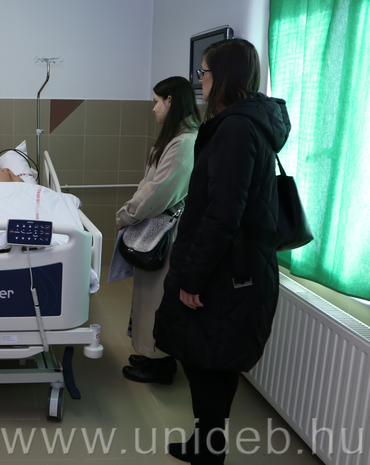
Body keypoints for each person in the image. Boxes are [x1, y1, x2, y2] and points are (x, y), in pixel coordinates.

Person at [153, 39, 290, 465]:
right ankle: (206, 443)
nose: (201, 81)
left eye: (204, 72)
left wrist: (193, 278)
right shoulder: (248, 123)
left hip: (227, 271)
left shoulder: (235, 129)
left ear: (223, 76)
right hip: (238, 264)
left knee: (207, 361)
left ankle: (209, 450)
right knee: (212, 360)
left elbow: (222, 212)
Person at [109, 76, 200, 385]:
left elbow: (159, 193)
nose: (153, 108)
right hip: (156, 226)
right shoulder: (175, 138)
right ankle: (149, 352)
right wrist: (132, 210)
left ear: (170, 101)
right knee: (147, 296)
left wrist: (127, 215)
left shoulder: (184, 143)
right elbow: (149, 184)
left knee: (157, 300)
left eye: (156, 101)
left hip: (167, 232)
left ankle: (159, 363)